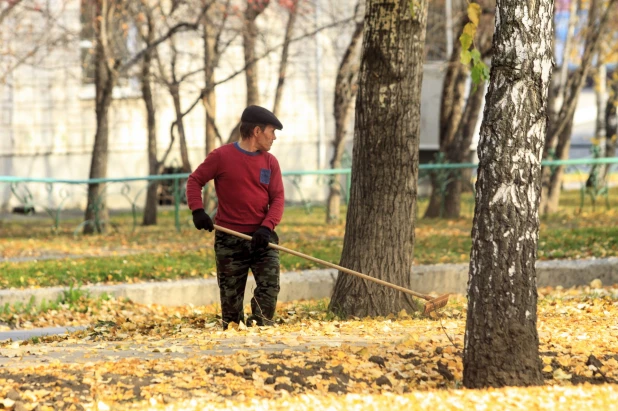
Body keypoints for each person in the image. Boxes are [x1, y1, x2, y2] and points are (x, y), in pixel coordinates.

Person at [186, 105, 285, 329]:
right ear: (257, 131)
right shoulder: (221, 156)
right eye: (272, 131)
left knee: (270, 288)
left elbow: (278, 199)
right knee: (230, 310)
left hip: (263, 237)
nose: (274, 138)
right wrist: (197, 210)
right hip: (229, 240)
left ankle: (259, 329)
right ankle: (235, 343)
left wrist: (266, 227)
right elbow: (194, 181)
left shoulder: (270, 162)